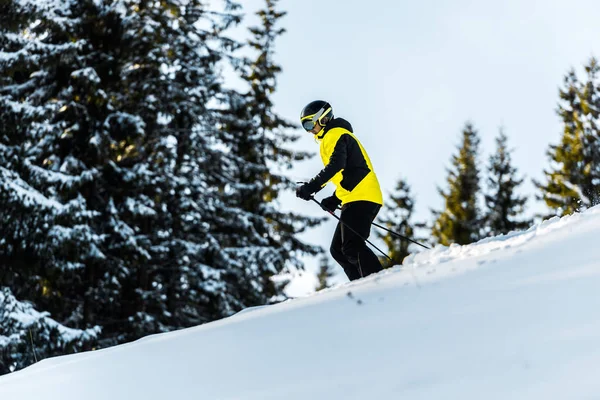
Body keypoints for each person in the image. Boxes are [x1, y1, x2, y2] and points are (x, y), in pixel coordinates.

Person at [296, 100, 384, 281]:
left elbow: (336, 165)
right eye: (305, 125)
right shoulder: (332, 137)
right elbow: (350, 174)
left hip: (362, 197)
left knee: (351, 246)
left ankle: (380, 282)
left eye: (310, 123)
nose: (309, 130)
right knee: (338, 250)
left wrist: (311, 187)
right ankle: (360, 285)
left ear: (323, 118)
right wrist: (335, 199)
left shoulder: (335, 134)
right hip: (356, 196)